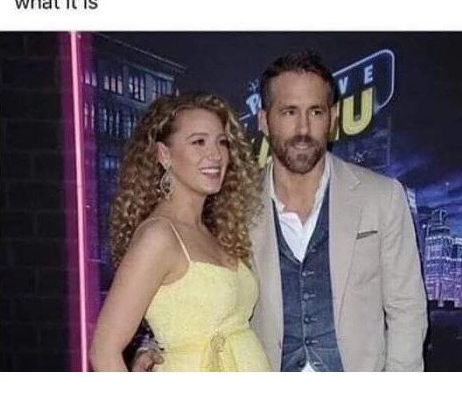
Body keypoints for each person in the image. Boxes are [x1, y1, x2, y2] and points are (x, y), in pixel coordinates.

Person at [134, 51, 428, 372]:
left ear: (332, 118)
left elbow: (407, 308)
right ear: (264, 120)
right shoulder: (234, 206)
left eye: (315, 112)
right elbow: (202, 295)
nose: (303, 128)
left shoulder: (382, 197)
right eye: (289, 112)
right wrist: (155, 343)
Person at [89, 92, 272, 371]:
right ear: (164, 155)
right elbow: (103, 351)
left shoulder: (212, 231)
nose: (216, 154)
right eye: (199, 142)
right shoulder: (158, 236)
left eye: (222, 142)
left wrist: (150, 345)